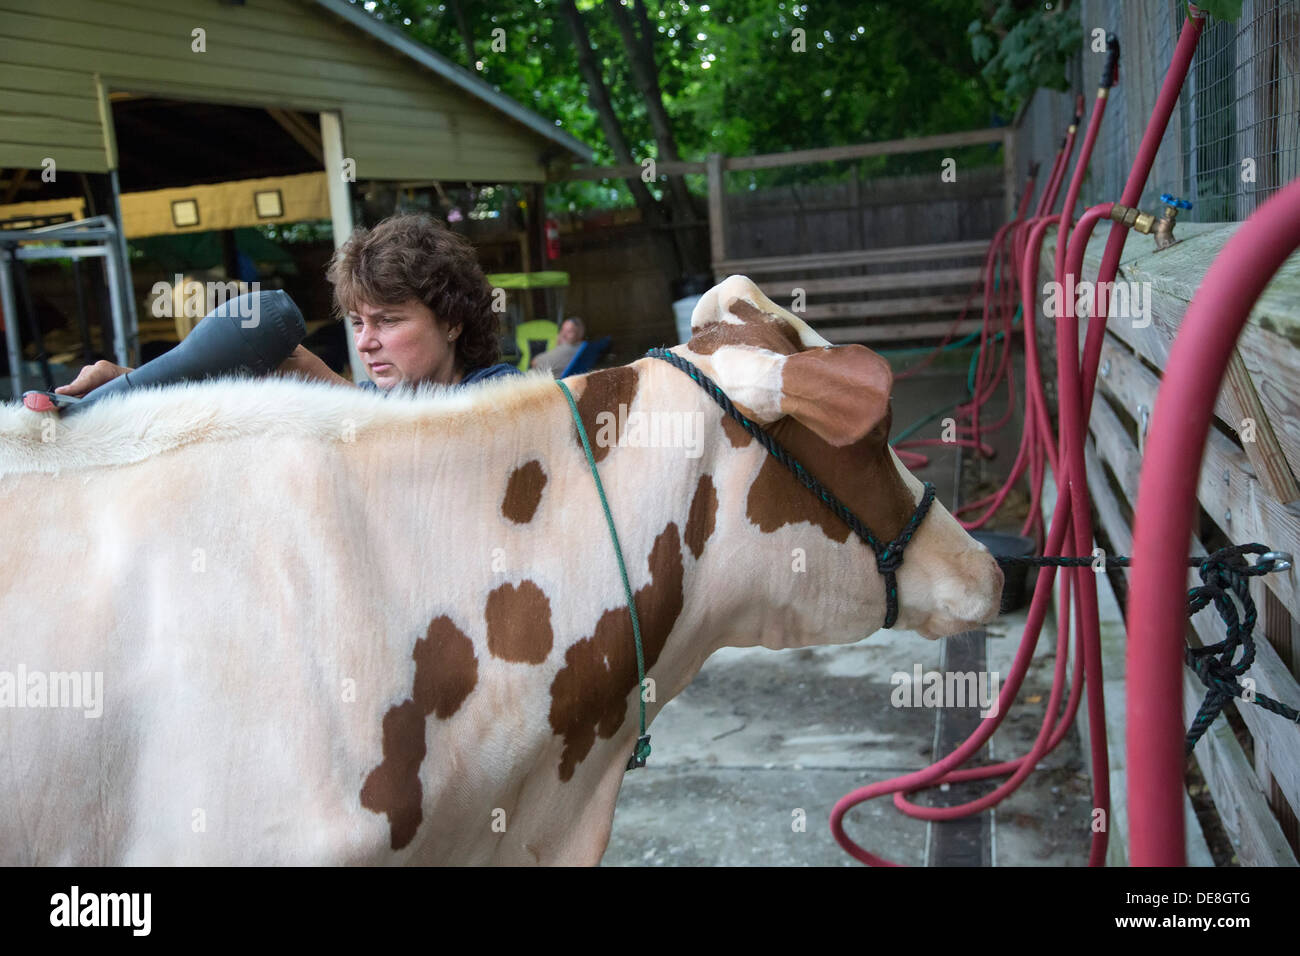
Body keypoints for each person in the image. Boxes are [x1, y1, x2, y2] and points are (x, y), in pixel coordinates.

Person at [52, 214, 522, 400]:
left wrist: (329, 385)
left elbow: (438, 439)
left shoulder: (504, 396)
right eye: (358, 322)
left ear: (454, 322)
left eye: (389, 320)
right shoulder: (387, 400)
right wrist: (133, 389)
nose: (364, 341)